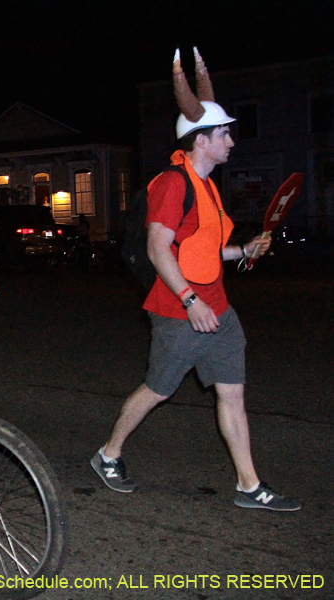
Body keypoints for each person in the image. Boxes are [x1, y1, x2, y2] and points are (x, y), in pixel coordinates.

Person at [91, 48, 301, 511]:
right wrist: (189, 300)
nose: (231, 140)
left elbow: (202, 251)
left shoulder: (207, 185)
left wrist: (243, 250)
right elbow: (157, 248)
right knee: (157, 390)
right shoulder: (172, 184)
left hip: (218, 309)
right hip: (178, 312)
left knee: (233, 393)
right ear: (201, 140)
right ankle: (108, 455)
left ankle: (250, 485)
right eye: (224, 133)